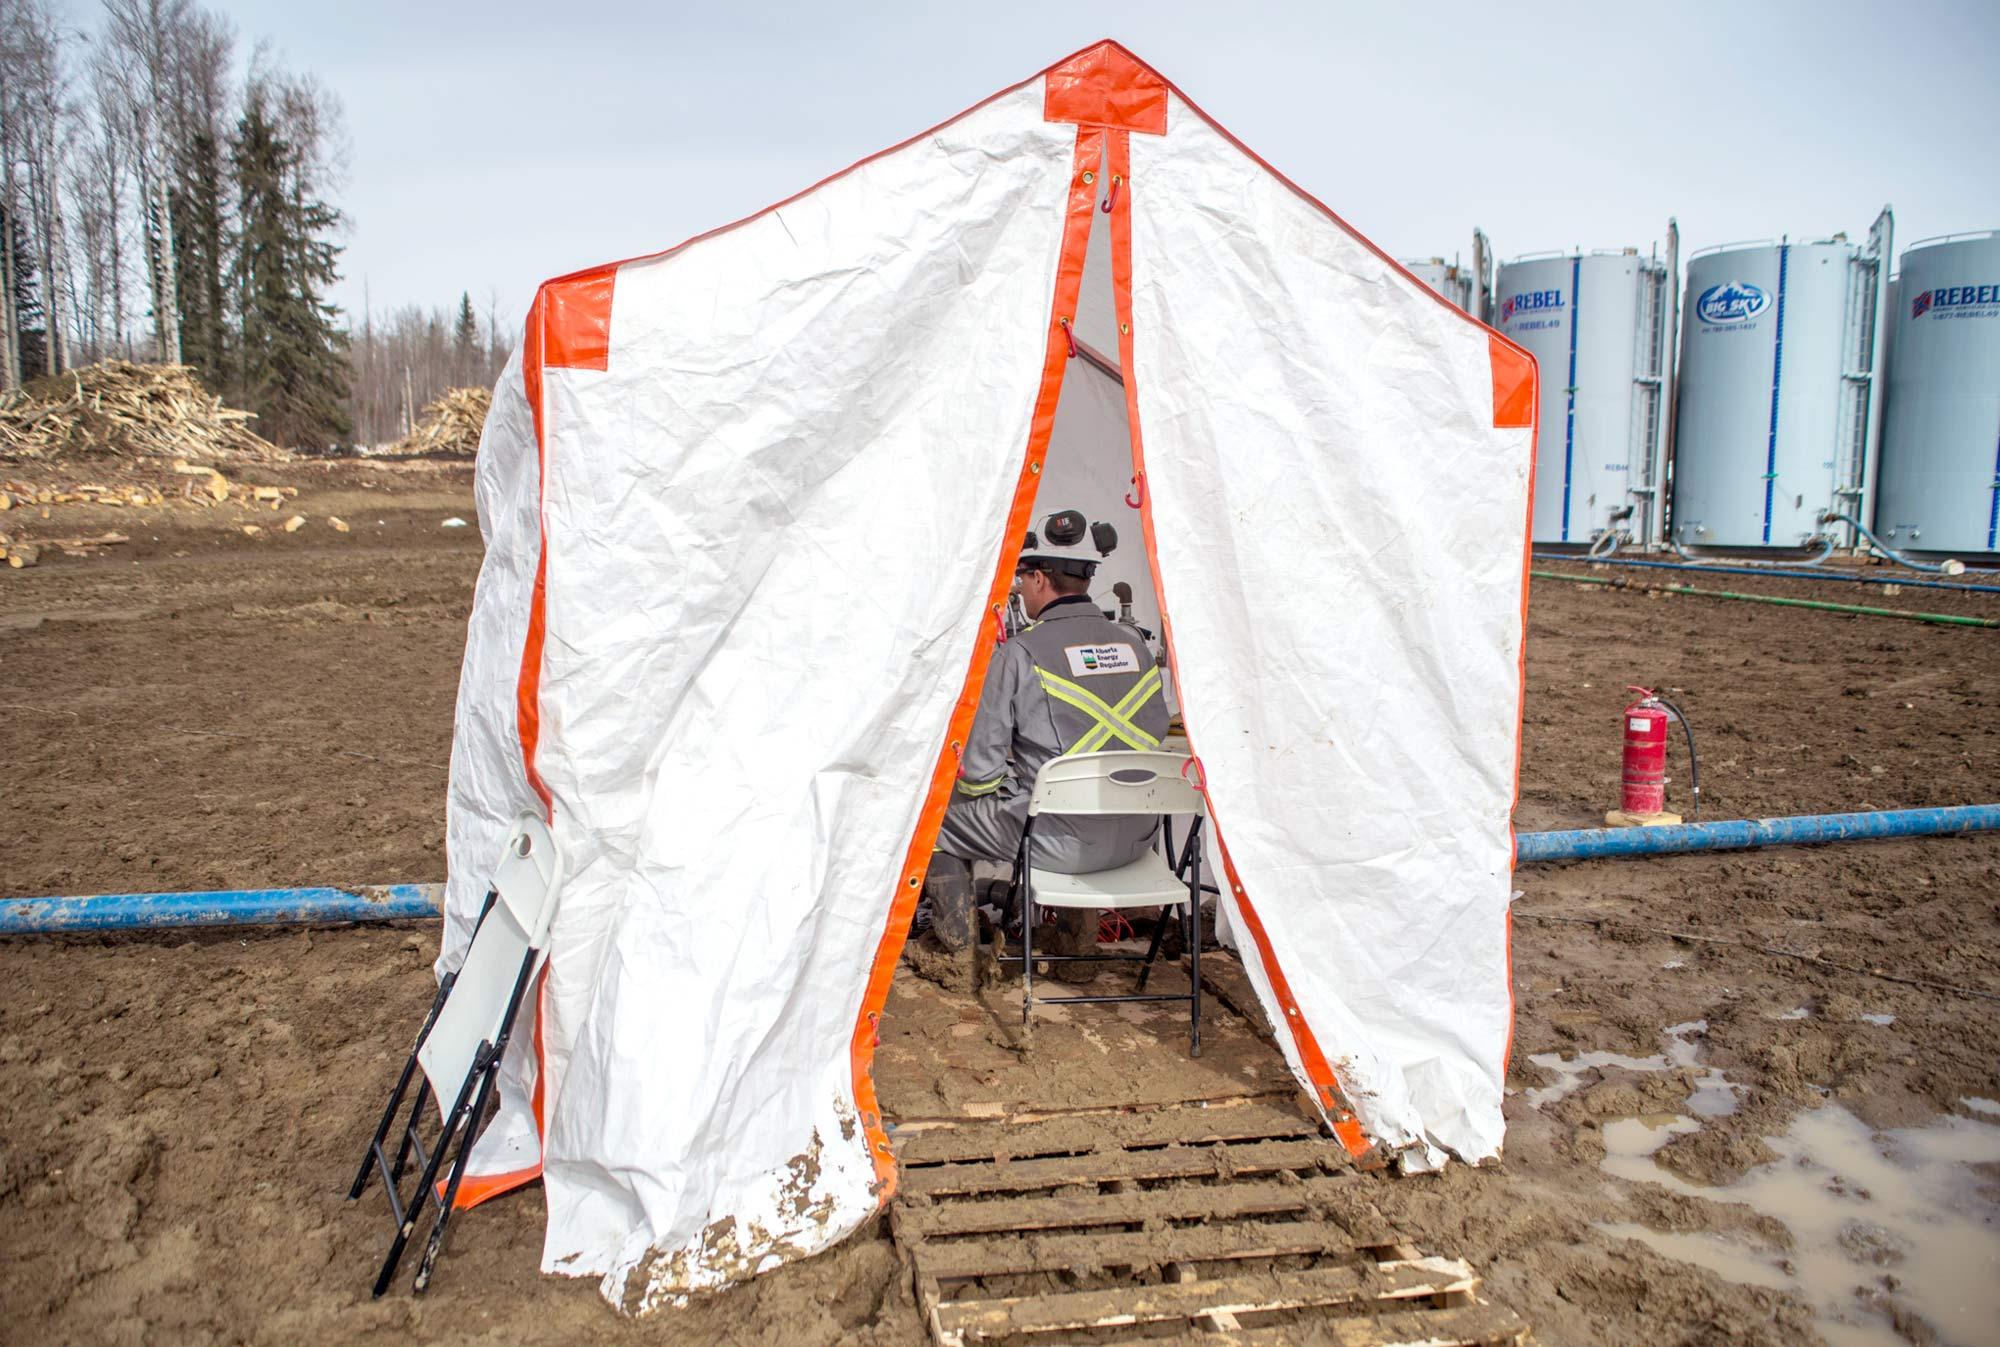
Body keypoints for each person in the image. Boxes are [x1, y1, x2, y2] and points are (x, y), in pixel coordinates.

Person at [923, 509, 1170, 968]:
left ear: (1039, 579)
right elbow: (1153, 734)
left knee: (932, 819)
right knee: (1079, 799)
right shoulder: (1134, 645)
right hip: (1138, 839)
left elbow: (978, 773)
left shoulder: (1020, 652)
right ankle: (1076, 940)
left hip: (1061, 847)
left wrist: (1005, 786)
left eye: (1022, 579)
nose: (1019, 589)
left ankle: (957, 958)